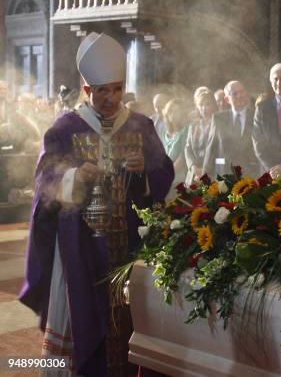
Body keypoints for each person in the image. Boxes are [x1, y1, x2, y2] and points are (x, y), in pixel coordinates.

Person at [19, 32, 173, 376]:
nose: (111, 98)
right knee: (87, 321)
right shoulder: (64, 129)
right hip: (80, 247)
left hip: (131, 244)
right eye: (103, 91)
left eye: (117, 89)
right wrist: (74, 176)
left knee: (130, 322)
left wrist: (144, 172)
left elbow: (164, 170)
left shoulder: (140, 125)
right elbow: (44, 182)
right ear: (87, 90)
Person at [204, 80, 258, 178]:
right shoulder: (218, 118)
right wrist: (205, 177)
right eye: (234, 94)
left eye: (241, 92)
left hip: (251, 175)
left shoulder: (256, 116)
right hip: (224, 175)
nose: (239, 96)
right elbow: (211, 149)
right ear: (227, 99)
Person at [184, 87, 217, 182]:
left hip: (212, 174)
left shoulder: (219, 124)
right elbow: (187, 148)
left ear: (214, 105)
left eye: (207, 104)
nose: (203, 108)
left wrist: (204, 171)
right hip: (194, 174)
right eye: (200, 105)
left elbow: (218, 151)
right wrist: (192, 166)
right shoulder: (194, 124)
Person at [162, 98, 191, 191]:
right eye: (171, 111)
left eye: (177, 111)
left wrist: (167, 174)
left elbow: (183, 157)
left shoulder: (186, 130)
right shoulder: (163, 132)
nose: (173, 114)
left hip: (178, 180)